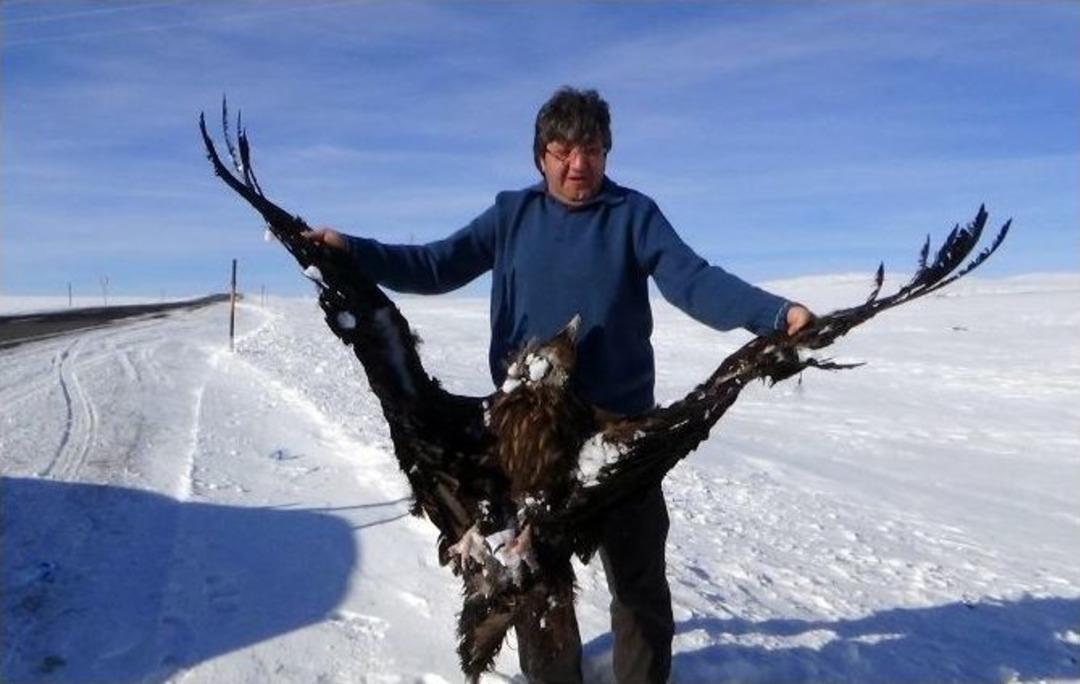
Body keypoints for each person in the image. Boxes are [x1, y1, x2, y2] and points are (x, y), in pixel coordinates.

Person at [306, 87, 813, 684]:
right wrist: (352, 251)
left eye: (593, 149)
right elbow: (436, 264)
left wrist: (775, 315)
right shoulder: (511, 215)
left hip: (619, 432)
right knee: (537, 586)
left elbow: (692, 280)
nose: (579, 164)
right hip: (530, 438)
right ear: (540, 156)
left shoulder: (633, 215)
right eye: (563, 149)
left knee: (639, 581)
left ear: (607, 151)